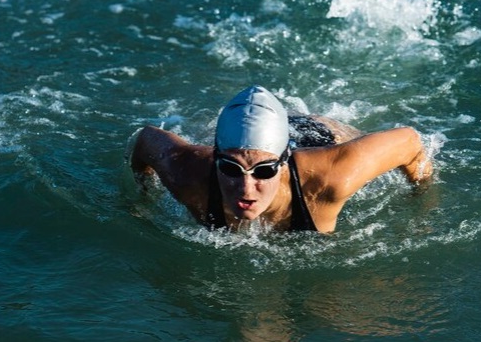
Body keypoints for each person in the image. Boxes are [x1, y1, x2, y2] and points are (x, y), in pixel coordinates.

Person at [130, 85, 432, 233]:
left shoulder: (332, 178)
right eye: (231, 170)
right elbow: (145, 140)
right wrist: (144, 197)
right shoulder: (186, 172)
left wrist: (423, 196)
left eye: (263, 172)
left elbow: (409, 141)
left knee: (336, 132)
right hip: (253, 142)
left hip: (318, 136)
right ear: (215, 159)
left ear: (283, 163)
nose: (246, 189)